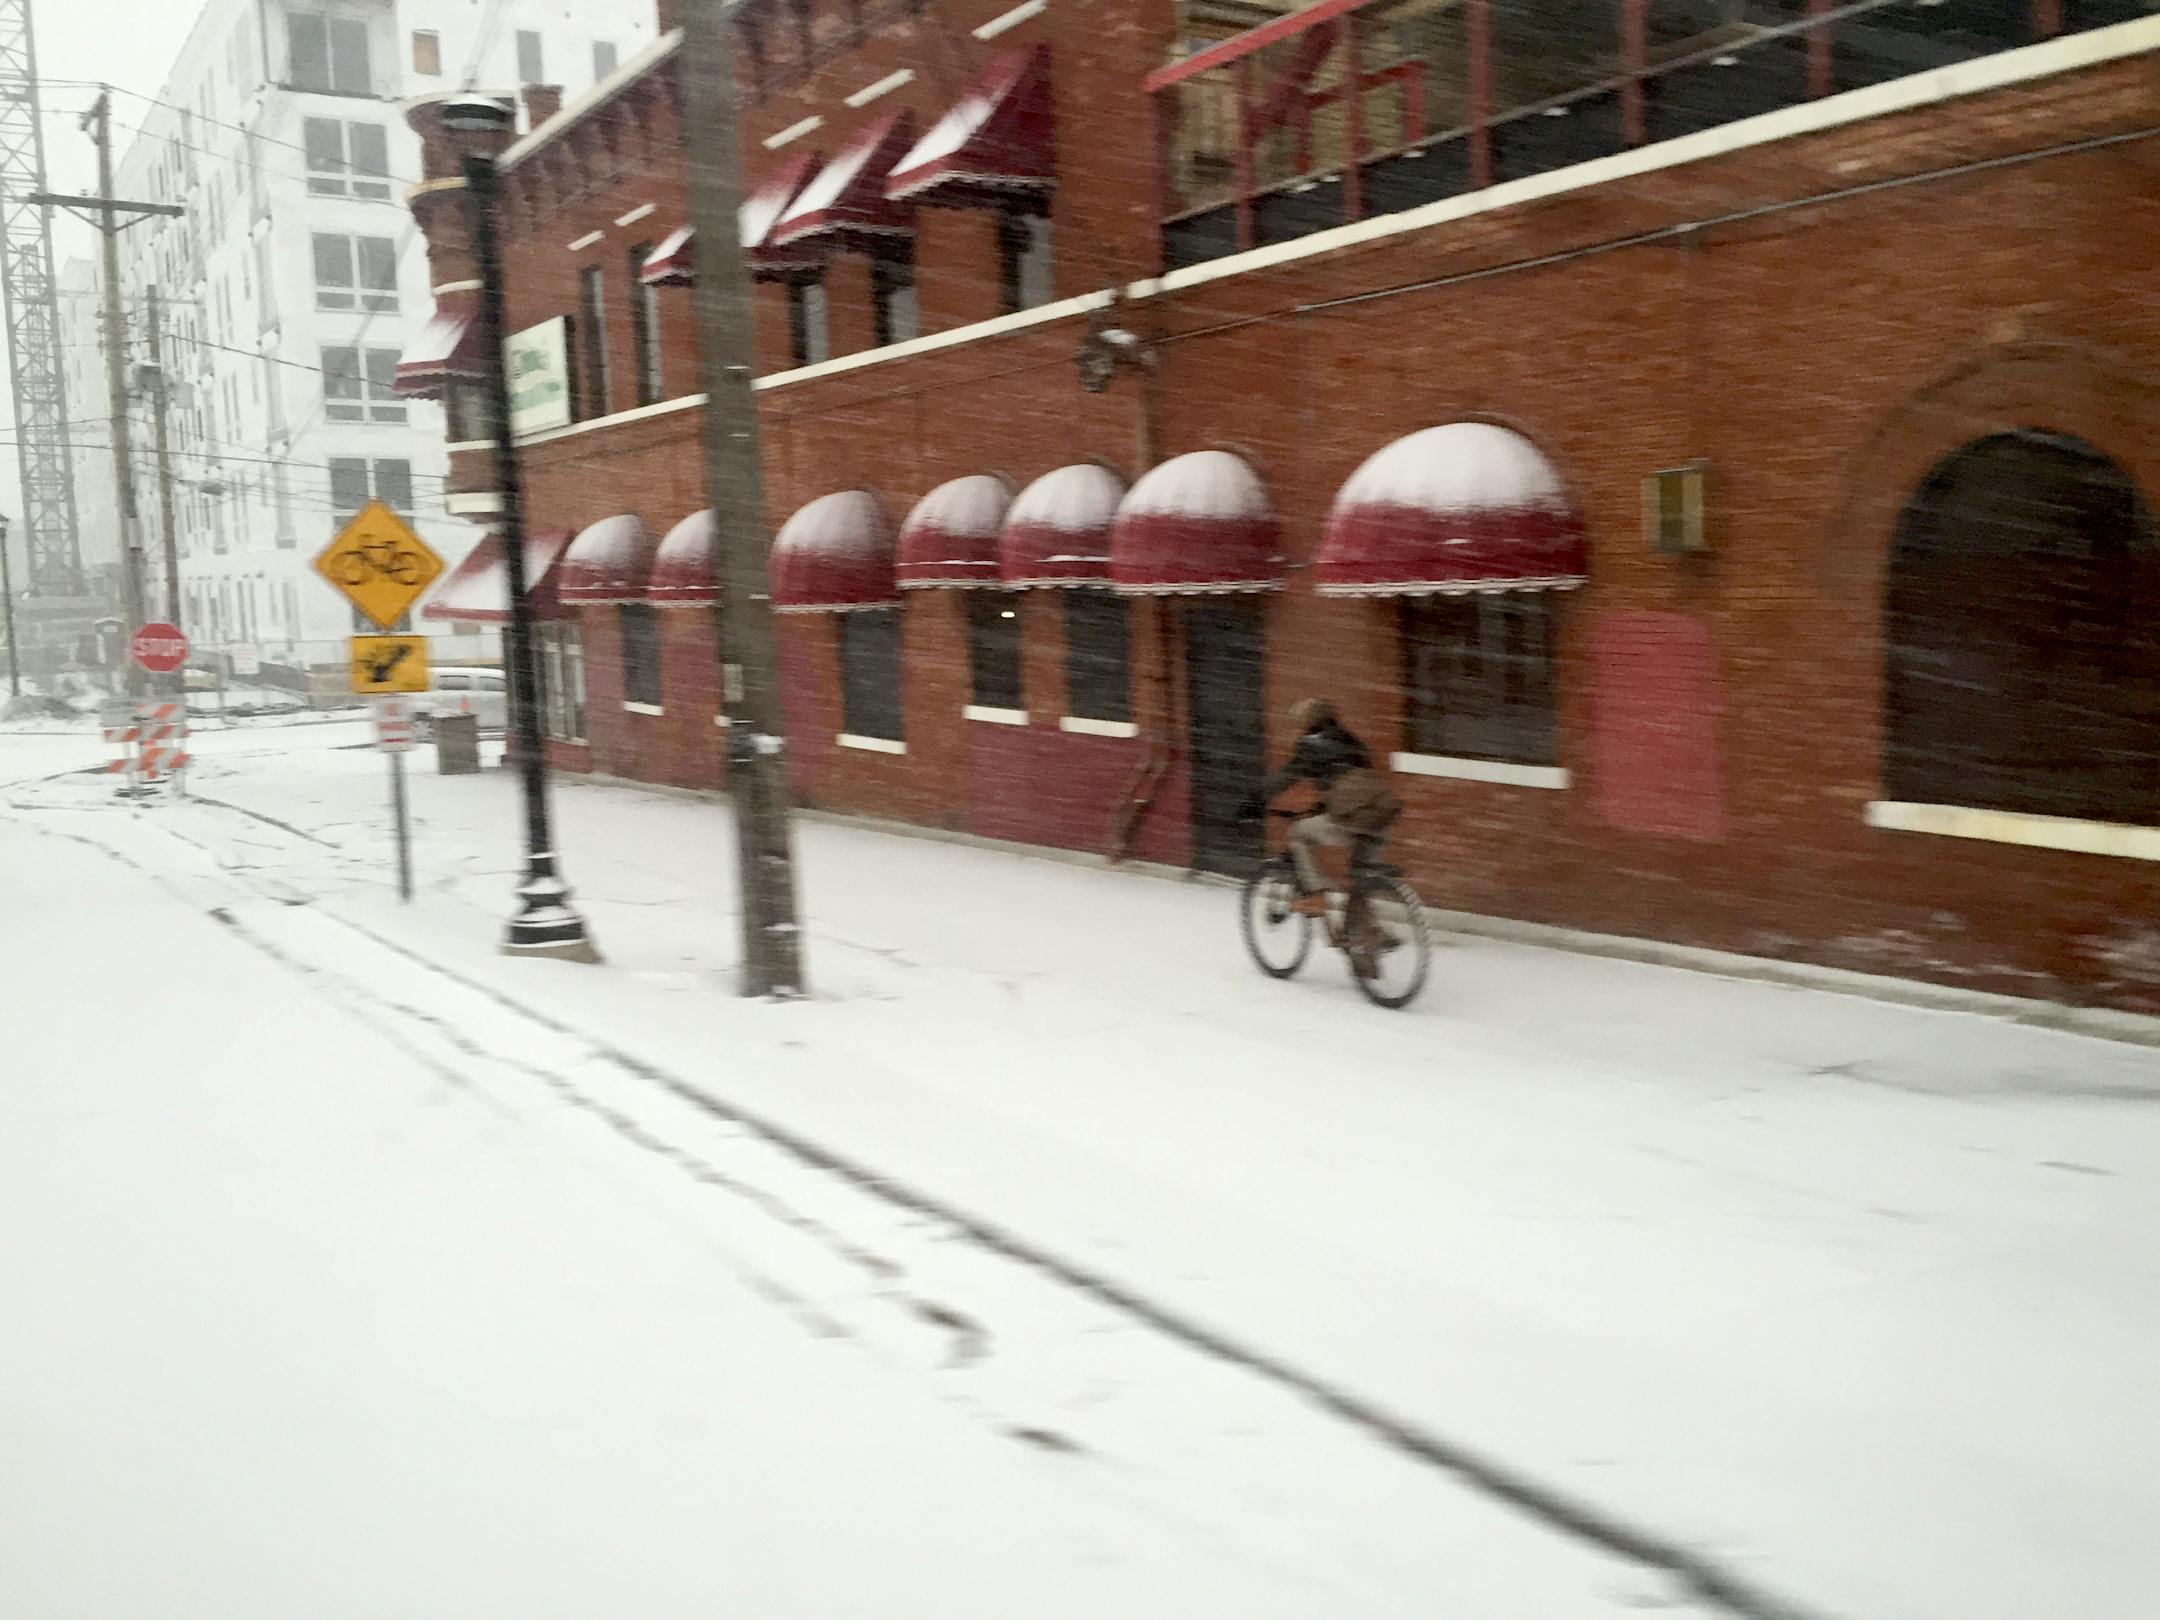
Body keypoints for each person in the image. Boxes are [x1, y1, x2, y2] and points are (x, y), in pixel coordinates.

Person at [1239, 697, 1400, 918]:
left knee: (1298, 833)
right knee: (1360, 878)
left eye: (1301, 722)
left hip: (1351, 819)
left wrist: (1254, 800)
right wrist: (1322, 806)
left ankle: (1316, 895)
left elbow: (1286, 777)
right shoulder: (1350, 742)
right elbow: (1350, 782)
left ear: (1309, 721)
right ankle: (1371, 934)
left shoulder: (1313, 745)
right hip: (1380, 817)